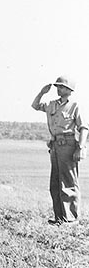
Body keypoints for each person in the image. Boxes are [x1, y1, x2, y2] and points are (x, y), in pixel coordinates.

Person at [32, 77, 88, 224]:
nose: (58, 89)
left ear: (70, 91)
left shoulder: (75, 106)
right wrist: (42, 92)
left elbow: (84, 128)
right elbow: (35, 105)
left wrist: (80, 148)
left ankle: (71, 219)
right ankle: (60, 217)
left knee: (69, 183)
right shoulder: (51, 105)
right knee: (55, 183)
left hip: (69, 145)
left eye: (62, 87)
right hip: (55, 146)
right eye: (57, 86)